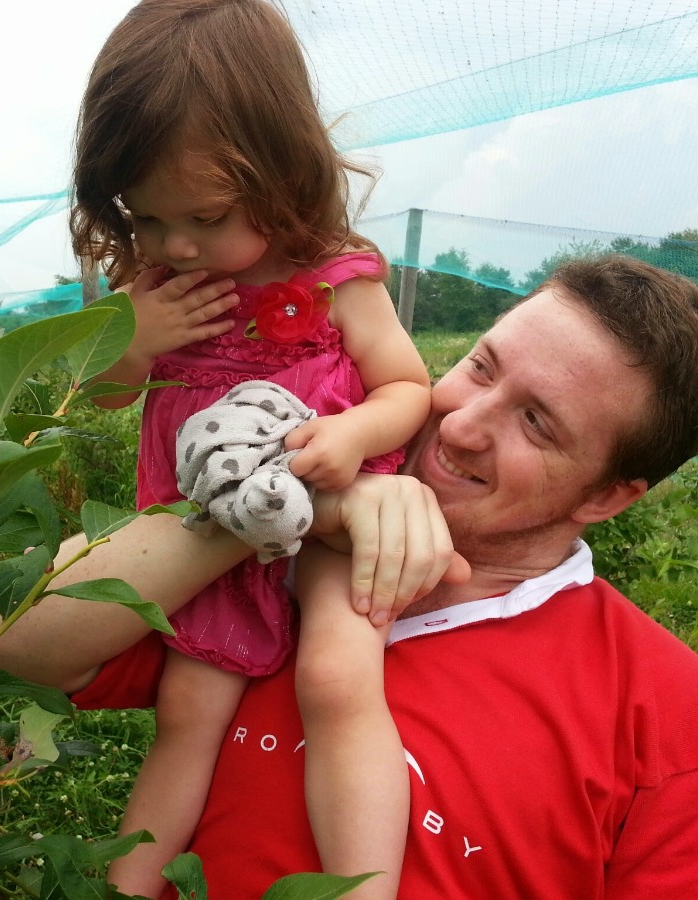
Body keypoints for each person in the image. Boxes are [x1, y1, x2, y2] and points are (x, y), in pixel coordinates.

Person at [0, 253, 698, 897]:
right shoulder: (262, 575)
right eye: (481, 367)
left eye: (536, 422)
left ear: (608, 495)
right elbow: (4, 634)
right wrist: (296, 511)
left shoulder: (662, 707)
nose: (460, 423)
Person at [67, 1, 431, 894]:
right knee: (187, 714)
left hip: (328, 518)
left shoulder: (337, 277)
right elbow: (105, 397)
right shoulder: (152, 286)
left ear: (285, 174)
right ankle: (130, 885)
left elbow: (408, 388)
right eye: (145, 218)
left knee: (339, 683)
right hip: (209, 534)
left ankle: (362, 888)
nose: (176, 243)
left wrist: (352, 432)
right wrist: (135, 337)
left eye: (206, 215)